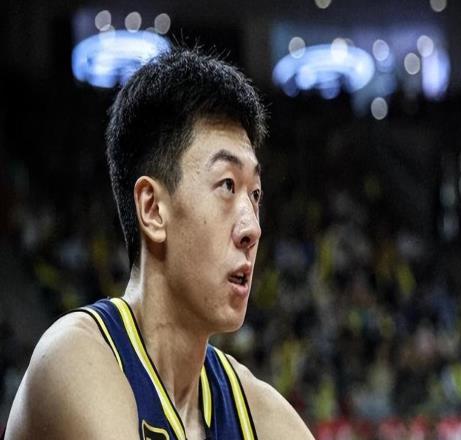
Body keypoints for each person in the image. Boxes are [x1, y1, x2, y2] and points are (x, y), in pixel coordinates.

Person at [4, 47, 314, 439]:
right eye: (227, 185)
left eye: (255, 194)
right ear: (152, 209)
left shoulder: (256, 409)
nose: (252, 227)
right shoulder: (74, 358)